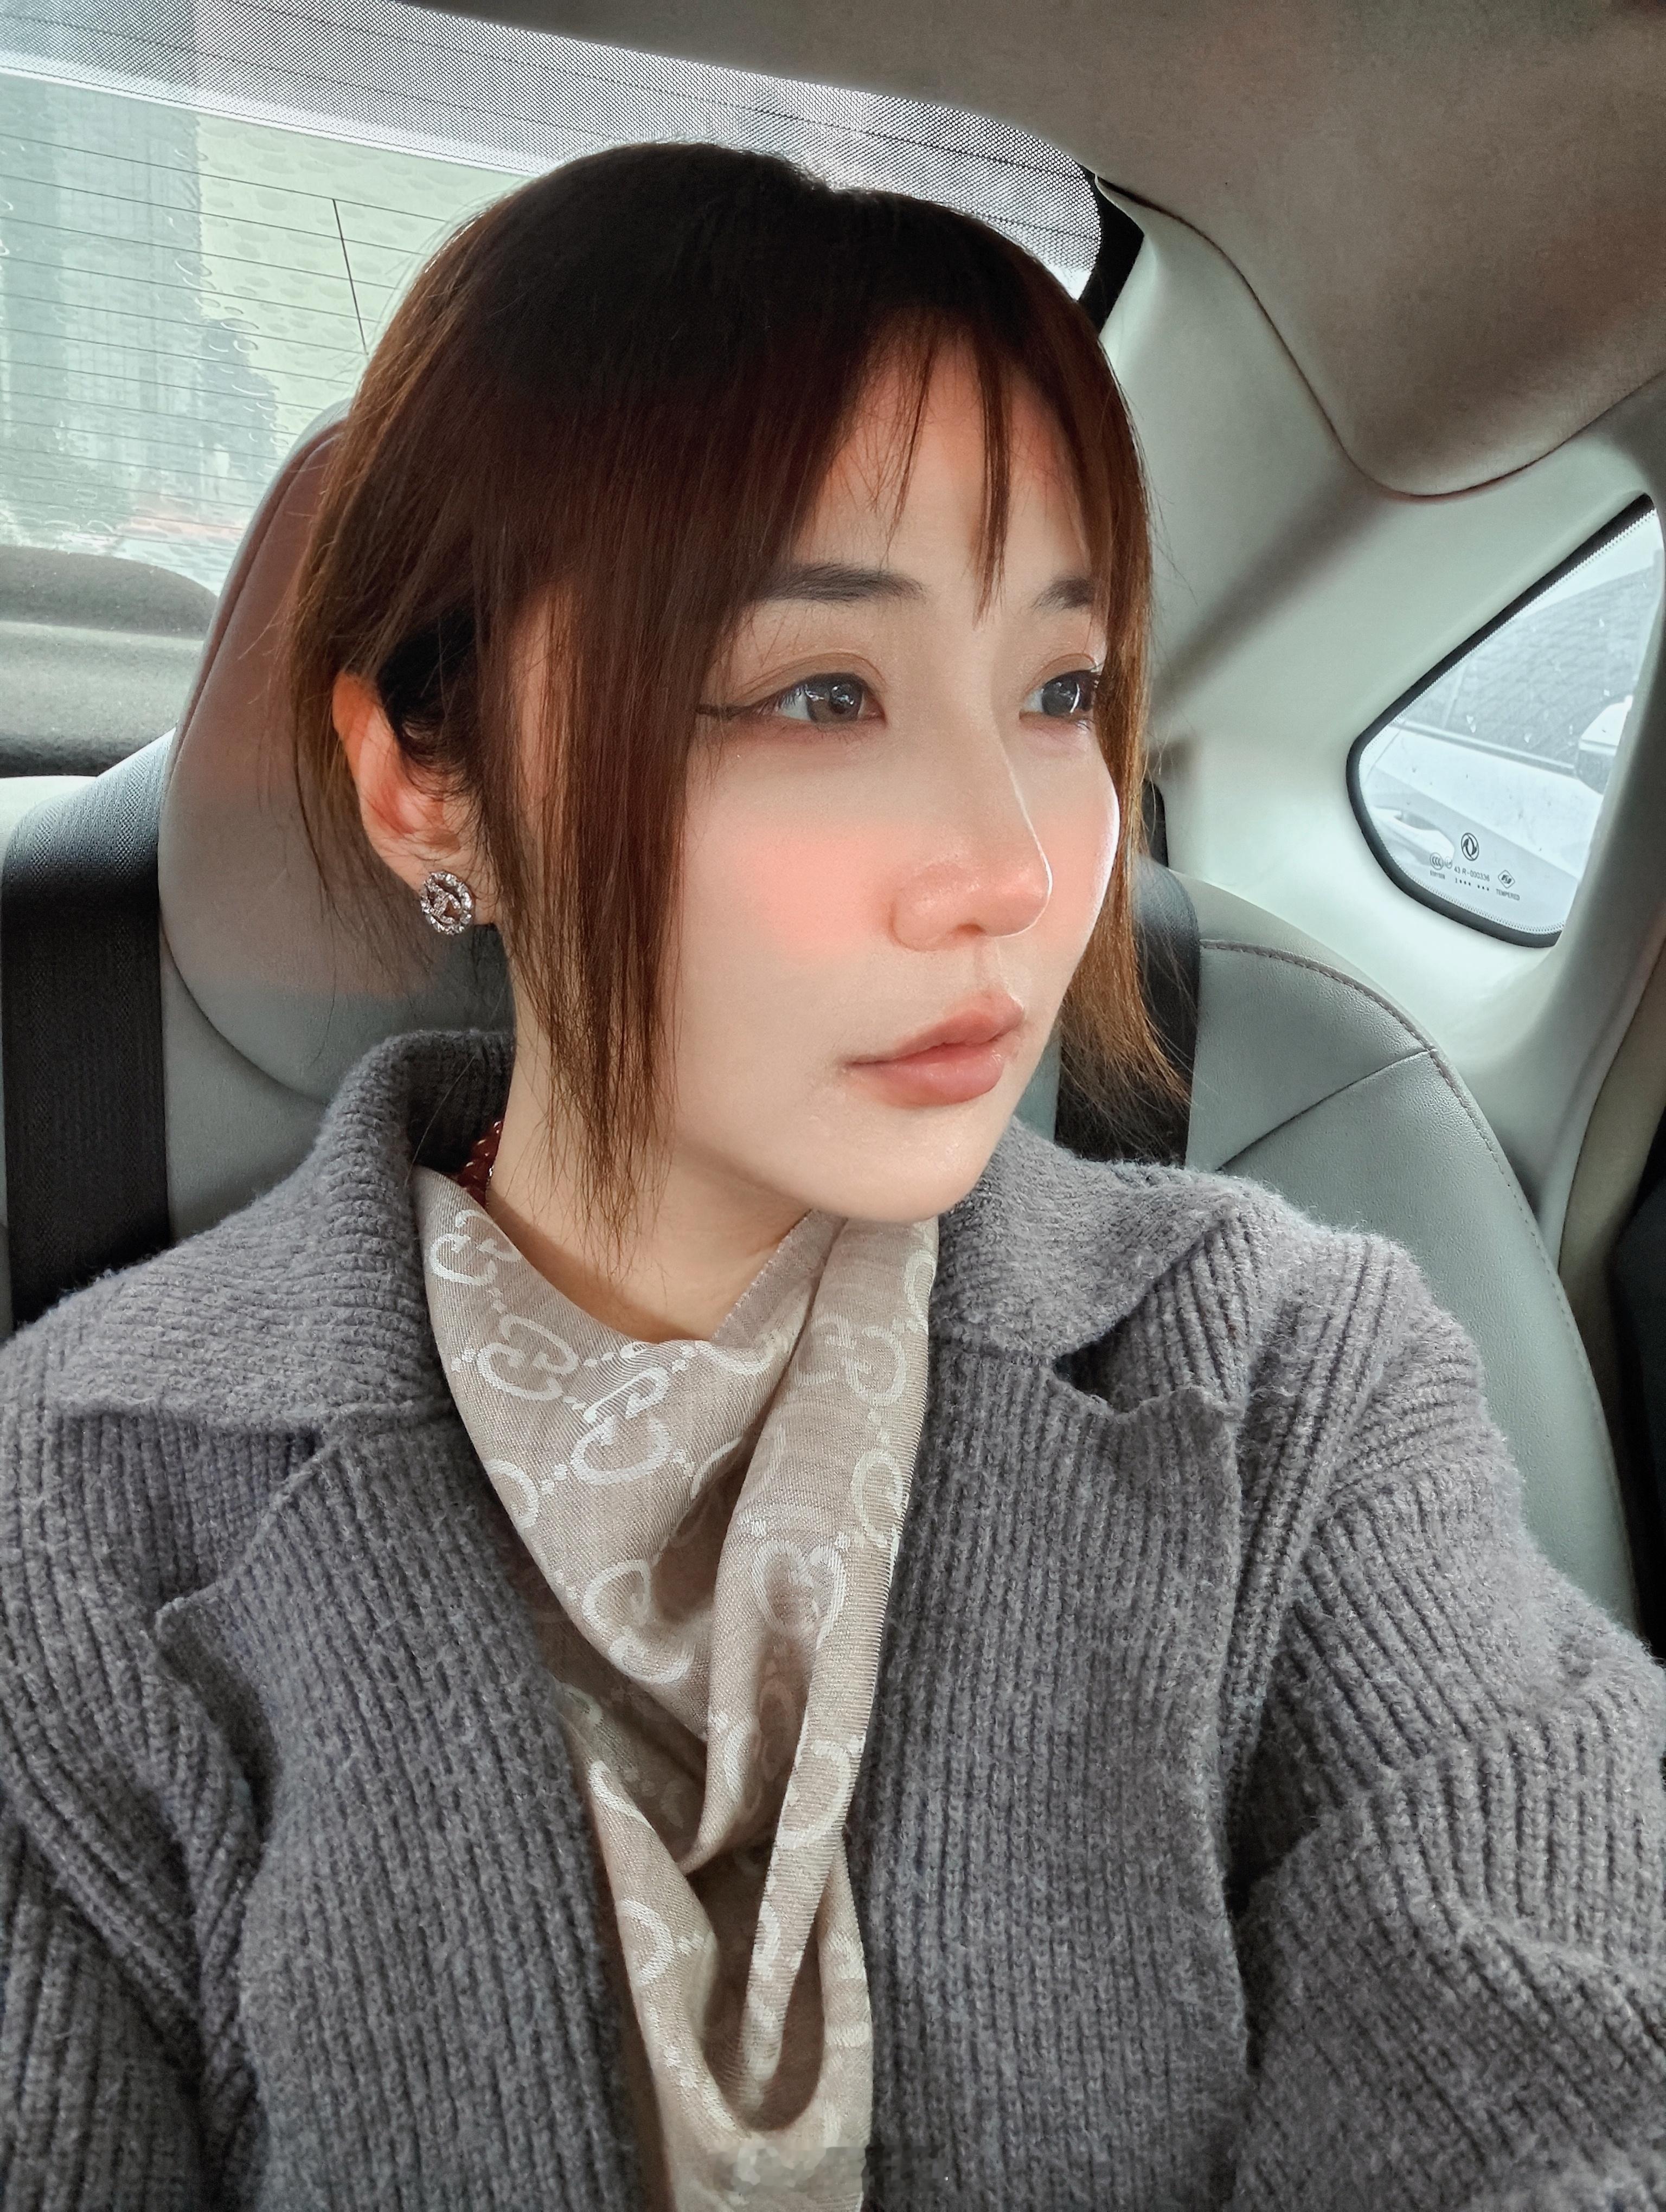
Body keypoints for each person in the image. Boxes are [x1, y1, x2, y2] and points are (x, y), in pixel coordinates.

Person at [1, 142, 1662, 2212]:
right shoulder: (77, 1504)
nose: (1020, 868)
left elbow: (1556, 2053)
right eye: (821, 695)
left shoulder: (1288, 1390)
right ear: (430, 781)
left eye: (1060, 691)